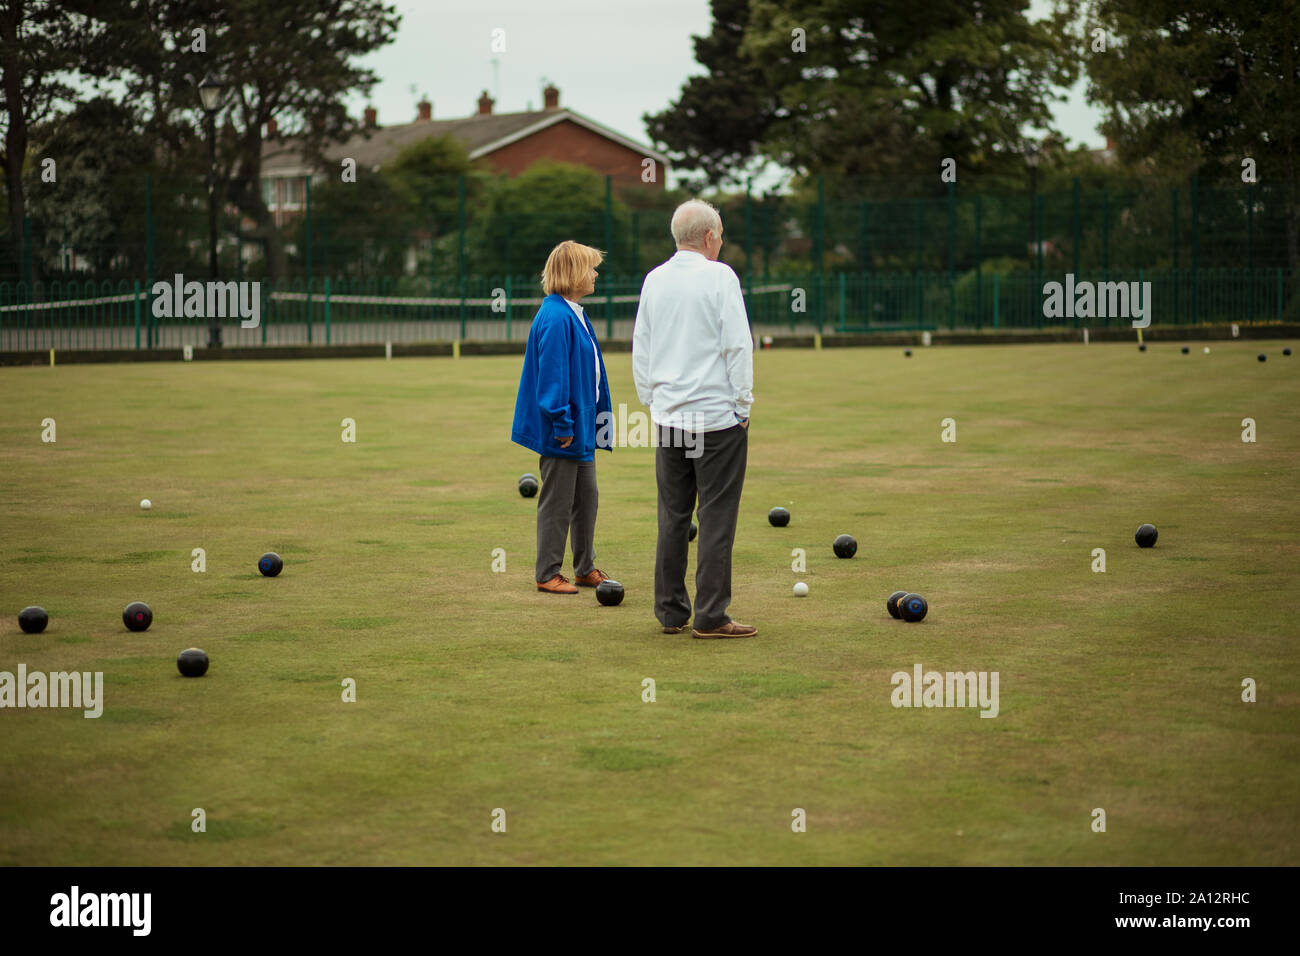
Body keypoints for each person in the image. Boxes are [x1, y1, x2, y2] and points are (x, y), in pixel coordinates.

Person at [632, 200, 756, 638]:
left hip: (670, 418)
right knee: (717, 517)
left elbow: (641, 346)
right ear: (709, 237)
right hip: (717, 420)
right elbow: (737, 346)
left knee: (673, 515)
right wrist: (743, 405)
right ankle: (711, 617)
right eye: (719, 236)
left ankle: (670, 613)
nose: (720, 243)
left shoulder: (654, 279)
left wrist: (653, 402)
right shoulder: (720, 276)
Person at [511, 241, 614, 594]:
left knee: (587, 498)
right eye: (590, 267)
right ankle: (547, 573)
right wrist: (562, 423)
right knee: (557, 501)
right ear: (572, 273)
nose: (596, 273)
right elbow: (552, 377)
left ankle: (585, 567)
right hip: (565, 429)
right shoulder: (555, 316)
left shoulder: (573, 312)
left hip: (583, 426)